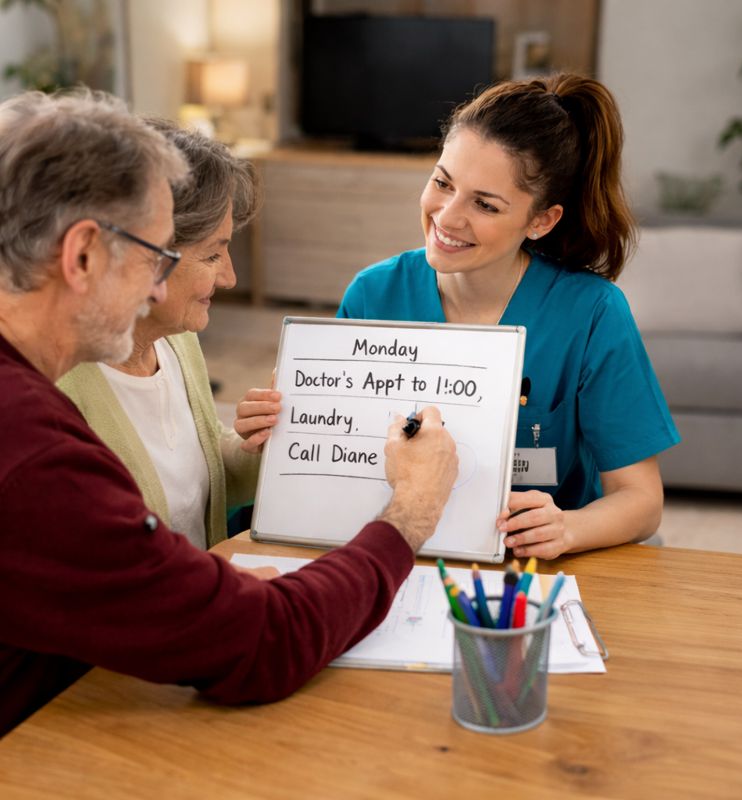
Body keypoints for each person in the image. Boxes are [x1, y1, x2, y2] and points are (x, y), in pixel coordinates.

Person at [0, 90, 458, 737]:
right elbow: (265, 641)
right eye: (159, 256)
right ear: (81, 257)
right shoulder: (37, 454)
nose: (160, 289)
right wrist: (410, 515)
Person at [335, 74, 680, 560]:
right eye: (442, 182)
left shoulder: (593, 314)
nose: (448, 216)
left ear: (541, 220)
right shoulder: (372, 294)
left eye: (484, 204)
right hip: (394, 555)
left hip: (532, 574)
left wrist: (569, 528)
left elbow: (642, 502)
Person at [58, 119, 278, 549]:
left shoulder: (176, 340)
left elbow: (199, 484)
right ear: (146, 254)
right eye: (213, 254)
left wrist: (257, 448)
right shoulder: (61, 388)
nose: (231, 277)